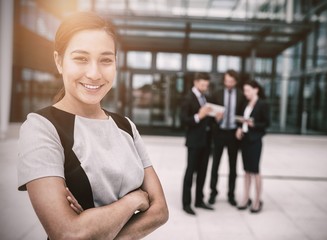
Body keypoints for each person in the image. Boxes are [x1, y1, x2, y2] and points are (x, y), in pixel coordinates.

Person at [17, 12, 168, 239]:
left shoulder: (125, 126)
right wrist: (132, 200)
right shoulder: (41, 127)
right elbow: (67, 233)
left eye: (106, 60)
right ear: (59, 61)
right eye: (81, 58)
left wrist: (95, 226)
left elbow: (160, 212)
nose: (94, 73)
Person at [208, 69, 245, 206]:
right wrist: (215, 119)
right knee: (215, 165)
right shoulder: (216, 94)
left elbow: (243, 114)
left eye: (231, 81)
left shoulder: (241, 95)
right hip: (219, 133)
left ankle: (231, 194)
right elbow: (210, 114)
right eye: (227, 81)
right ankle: (213, 193)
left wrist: (240, 127)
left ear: (235, 82)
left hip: (233, 134)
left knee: (233, 166)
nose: (228, 84)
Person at [181, 72, 214, 215]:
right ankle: (186, 203)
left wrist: (215, 116)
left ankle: (199, 200)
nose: (204, 87)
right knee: (190, 172)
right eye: (202, 84)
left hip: (206, 141)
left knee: (203, 172)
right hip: (194, 141)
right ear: (195, 82)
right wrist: (198, 116)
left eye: (206, 85)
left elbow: (207, 118)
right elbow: (183, 120)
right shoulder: (188, 98)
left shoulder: (206, 97)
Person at [235, 79, 270, 213]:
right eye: (244, 90)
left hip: (255, 141)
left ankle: (257, 200)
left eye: (248, 90)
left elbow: (266, 124)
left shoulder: (263, 104)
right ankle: (245, 198)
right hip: (244, 140)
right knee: (246, 171)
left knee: (255, 171)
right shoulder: (245, 103)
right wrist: (239, 128)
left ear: (256, 90)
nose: (245, 93)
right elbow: (240, 119)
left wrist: (253, 124)